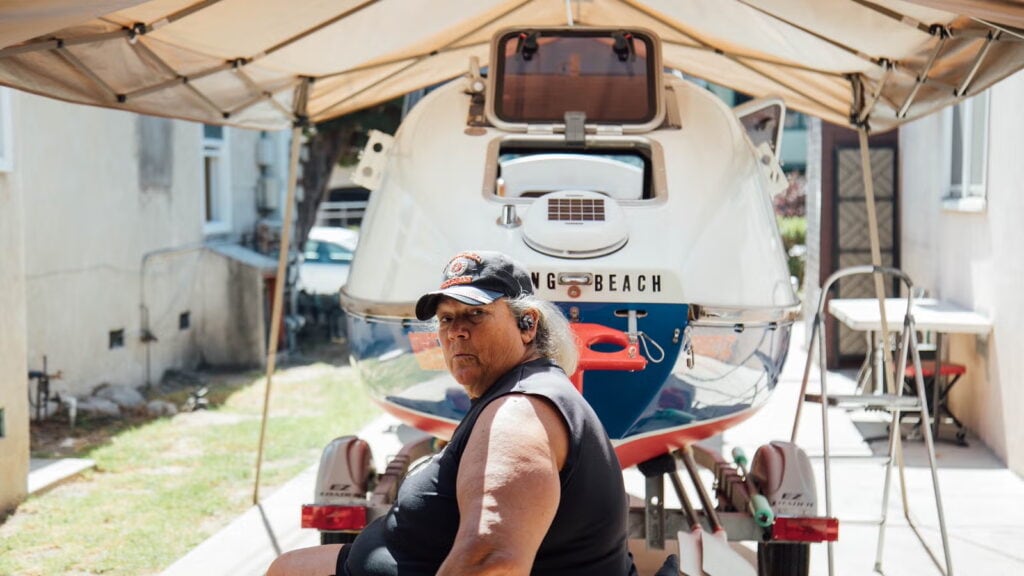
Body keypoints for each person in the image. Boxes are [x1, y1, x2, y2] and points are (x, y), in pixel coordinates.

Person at [268, 250, 639, 575]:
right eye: (446, 319)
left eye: (475, 314)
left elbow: (492, 561)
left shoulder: (518, 412)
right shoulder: (522, 390)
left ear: (528, 326)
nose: (456, 332)